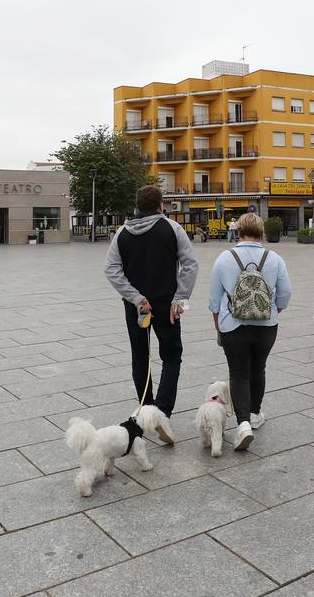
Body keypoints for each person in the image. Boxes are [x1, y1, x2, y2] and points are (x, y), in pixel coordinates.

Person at [103, 184, 198, 436]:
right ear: (160, 205)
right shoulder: (172, 228)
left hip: (137, 308)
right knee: (171, 355)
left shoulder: (122, 233)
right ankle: (163, 412)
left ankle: (146, 408)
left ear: (137, 206)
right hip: (167, 305)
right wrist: (180, 299)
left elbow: (111, 269)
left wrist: (135, 297)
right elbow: (190, 264)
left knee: (140, 355)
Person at [207, 213, 292, 452]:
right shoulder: (274, 258)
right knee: (258, 368)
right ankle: (255, 413)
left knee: (238, 373)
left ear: (239, 231)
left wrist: (218, 324)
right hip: (267, 326)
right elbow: (285, 292)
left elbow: (214, 298)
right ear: (262, 232)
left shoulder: (224, 258)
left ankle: (242, 423)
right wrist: (274, 311)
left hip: (233, 325)